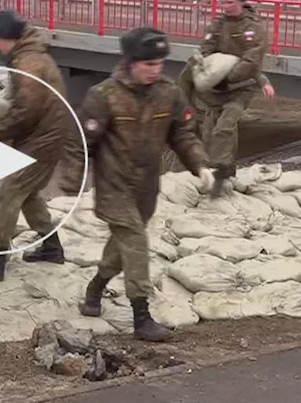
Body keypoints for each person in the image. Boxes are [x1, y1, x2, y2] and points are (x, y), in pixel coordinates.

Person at [60, 27, 214, 342]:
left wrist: (199, 164)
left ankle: (95, 289)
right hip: (114, 187)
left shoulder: (169, 92)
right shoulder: (103, 96)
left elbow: (183, 133)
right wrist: (73, 178)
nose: (154, 71)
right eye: (148, 65)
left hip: (146, 188)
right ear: (131, 62)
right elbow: (80, 142)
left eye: (159, 64)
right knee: (136, 243)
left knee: (123, 248)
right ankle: (141, 318)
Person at [0, 10, 73, 281]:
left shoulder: (29, 64)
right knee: (29, 193)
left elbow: (26, 112)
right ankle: (51, 248)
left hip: (42, 139)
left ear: (11, 38)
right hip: (44, 135)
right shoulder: (29, 57)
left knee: (10, 193)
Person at [177, 0, 268, 198]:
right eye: (223, 2)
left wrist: (228, 79)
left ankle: (220, 176)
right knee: (210, 130)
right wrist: (206, 69)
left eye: (230, 2)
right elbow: (206, 48)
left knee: (224, 127)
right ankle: (224, 167)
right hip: (216, 88)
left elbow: (252, 62)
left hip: (240, 88)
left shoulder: (252, 29)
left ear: (241, 2)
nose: (226, 6)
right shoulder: (218, 25)